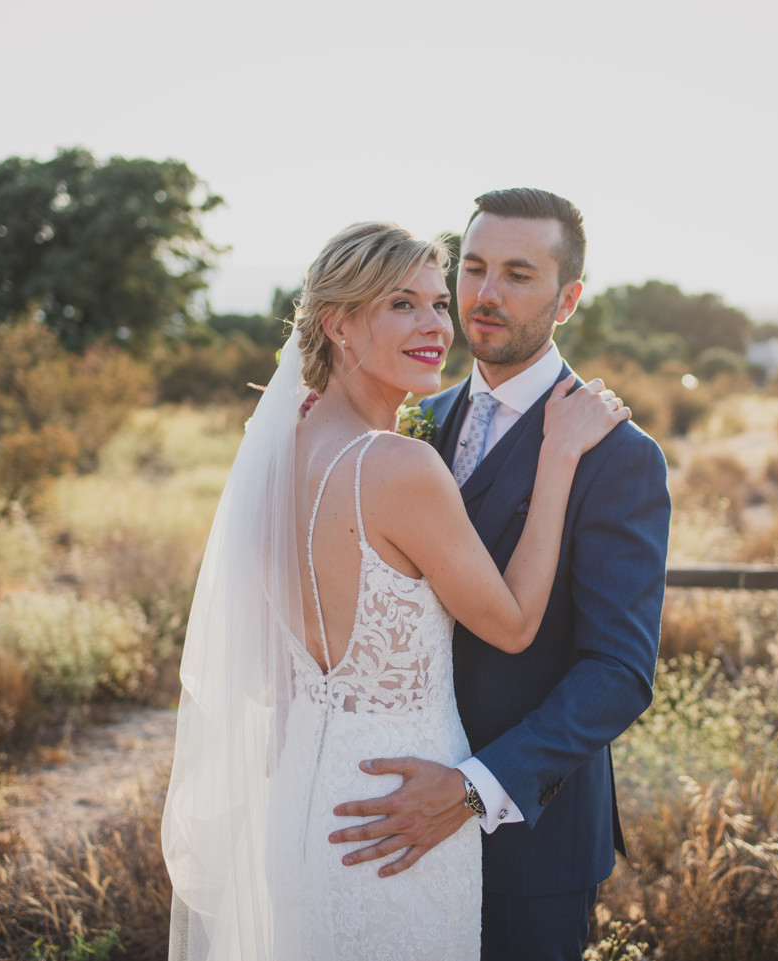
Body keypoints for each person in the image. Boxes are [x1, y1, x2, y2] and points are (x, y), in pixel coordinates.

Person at [161, 220, 631, 961]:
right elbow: (510, 626)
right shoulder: (400, 462)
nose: (436, 325)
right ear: (338, 324)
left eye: (436, 303)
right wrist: (561, 452)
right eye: (401, 305)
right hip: (400, 810)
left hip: (308, 802)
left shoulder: (281, 448)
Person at [327, 189, 672, 961]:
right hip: (390, 814)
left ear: (568, 298)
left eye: (518, 273)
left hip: (528, 841)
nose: (484, 294)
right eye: (474, 267)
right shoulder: (412, 417)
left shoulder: (618, 455)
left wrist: (475, 785)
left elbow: (619, 671)